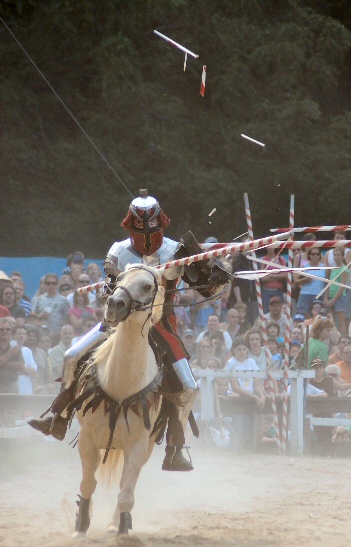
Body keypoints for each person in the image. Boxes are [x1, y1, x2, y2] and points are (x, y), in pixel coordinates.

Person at [29, 189, 230, 473]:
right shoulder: (118, 251)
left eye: (152, 227)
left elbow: (210, 289)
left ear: (160, 222)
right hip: (119, 323)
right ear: (132, 224)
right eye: (141, 227)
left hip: (161, 325)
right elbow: (107, 291)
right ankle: (59, 419)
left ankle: (175, 449)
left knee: (188, 387)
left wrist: (215, 274)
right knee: (72, 356)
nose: (147, 234)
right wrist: (110, 293)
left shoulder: (176, 252)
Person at [323, 248, 349, 336]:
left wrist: (333, 300)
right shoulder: (333, 268)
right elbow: (328, 282)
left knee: (341, 321)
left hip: (339, 297)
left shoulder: (344, 269)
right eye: (335, 255)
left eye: (338, 255)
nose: (336, 257)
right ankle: (332, 338)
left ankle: (343, 339)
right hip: (330, 296)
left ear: (342, 257)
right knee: (331, 320)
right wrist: (326, 297)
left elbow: (342, 286)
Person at [293, 248, 327, 316]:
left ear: (320, 256)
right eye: (313, 254)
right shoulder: (304, 267)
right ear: (309, 256)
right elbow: (295, 282)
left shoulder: (325, 267)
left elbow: (327, 284)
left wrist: (325, 297)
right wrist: (304, 280)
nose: (315, 256)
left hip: (319, 294)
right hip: (305, 294)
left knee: (318, 316)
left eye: (317, 254)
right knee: (304, 315)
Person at [259, 247, 287, 313]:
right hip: (267, 291)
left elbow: (285, 275)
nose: (270, 248)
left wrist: (270, 274)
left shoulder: (281, 259)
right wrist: (277, 275)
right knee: (266, 312)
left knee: (280, 312)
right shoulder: (264, 260)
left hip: (279, 291)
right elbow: (263, 278)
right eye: (268, 246)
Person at [0, 317, 24, 393]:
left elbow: (21, 366)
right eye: (1, 329)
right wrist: (10, 354)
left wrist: (3, 363)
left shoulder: (15, 346)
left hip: (12, 386)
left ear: (11, 331)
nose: (5, 331)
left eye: (8, 329)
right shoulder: (13, 350)